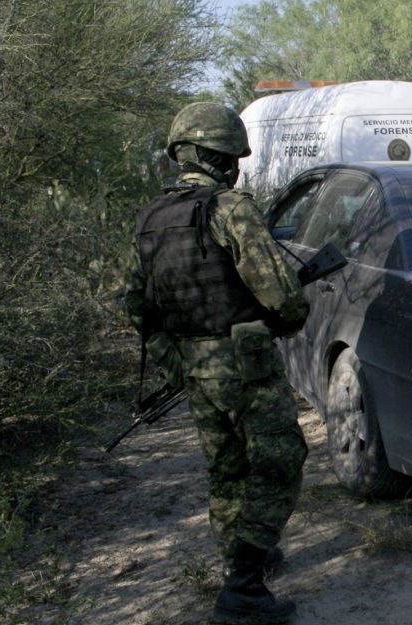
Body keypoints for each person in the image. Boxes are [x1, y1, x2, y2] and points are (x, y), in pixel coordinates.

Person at [123, 102, 310, 625]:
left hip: (194, 367)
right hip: (244, 364)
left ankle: (242, 558)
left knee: (227, 467)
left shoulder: (150, 218)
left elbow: (133, 302)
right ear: (218, 157)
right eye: (232, 158)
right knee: (278, 462)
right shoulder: (229, 209)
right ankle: (245, 587)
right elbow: (281, 295)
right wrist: (289, 318)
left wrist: (175, 357)